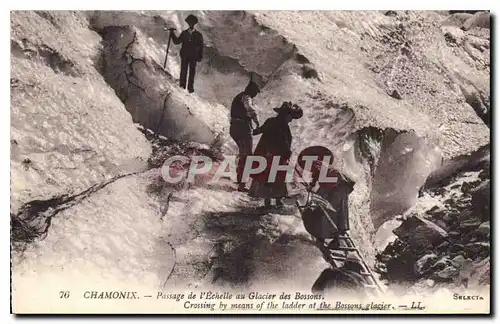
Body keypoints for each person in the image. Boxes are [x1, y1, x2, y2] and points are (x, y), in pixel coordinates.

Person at [249, 101, 303, 207]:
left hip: (266, 154)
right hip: (276, 155)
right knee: (275, 179)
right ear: (286, 114)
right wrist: (287, 151)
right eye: (291, 116)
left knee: (268, 178)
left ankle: (269, 202)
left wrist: (249, 130)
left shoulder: (271, 121)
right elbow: (284, 142)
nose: (291, 120)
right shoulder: (283, 126)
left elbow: (259, 131)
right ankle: (276, 202)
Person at [229, 80, 261, 192]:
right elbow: (250, 109)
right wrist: (257, 122)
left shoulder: (239, 96)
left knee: (243, 155)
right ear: (252, 91)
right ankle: (242, 184)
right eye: (256, 92)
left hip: (234, 127)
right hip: (243, 128)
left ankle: (240, 180)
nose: (256, 95)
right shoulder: (246, 97)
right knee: (247, 156)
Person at [170, 14, 204, 93]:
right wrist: (172, 34)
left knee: (192, 72)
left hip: (193, 56)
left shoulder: (198, 35)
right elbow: (177, 41)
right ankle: (182, 86)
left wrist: (200, 56)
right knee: (183, 71)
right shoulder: (184, 33)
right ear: (188, 23)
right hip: (184, 55)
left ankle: (190, 89)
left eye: (192, 22)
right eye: (189, 22)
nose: (191, 24)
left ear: (194, 23)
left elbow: (201, 46)